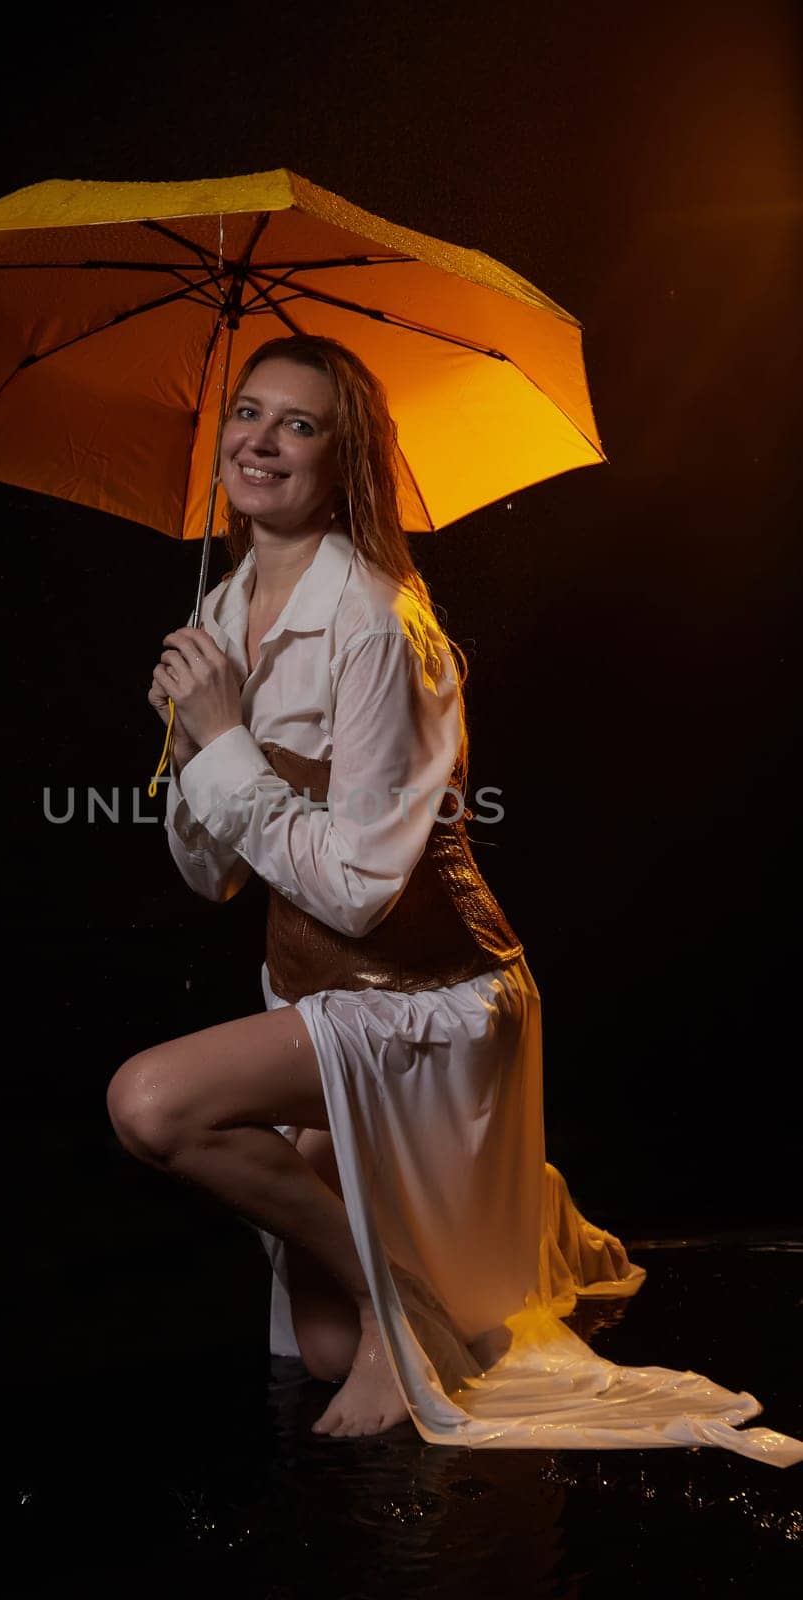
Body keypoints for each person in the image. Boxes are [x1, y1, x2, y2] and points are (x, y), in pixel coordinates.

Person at [106, 336, 802, 1463]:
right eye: (247, 412)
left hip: (427, 995)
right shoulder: (224, 611)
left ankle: (407, 1296)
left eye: (300, 423)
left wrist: (229, 740)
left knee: (151, 1102)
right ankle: (496, 1240)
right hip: (314, 984)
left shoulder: (383, 624)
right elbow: (211, 873)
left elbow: (367, 894)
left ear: (349, 463)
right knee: (318, 1356)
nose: (260, 440)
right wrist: (195, 738)